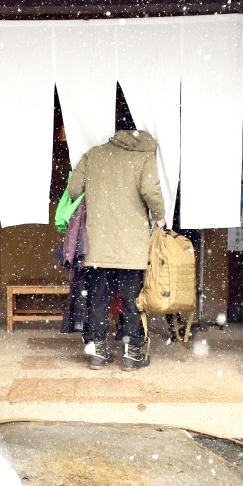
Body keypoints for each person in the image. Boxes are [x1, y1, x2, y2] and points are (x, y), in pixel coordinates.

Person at [67, 85, 165, 371]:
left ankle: (98, 352)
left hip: (98, 243)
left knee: (98, 298)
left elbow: (74, 190)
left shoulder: (93, 154)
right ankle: (133, 354)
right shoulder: (144, 156)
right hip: (130, 247)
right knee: (132, 298)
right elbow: (151, 190)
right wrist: (159, 216)